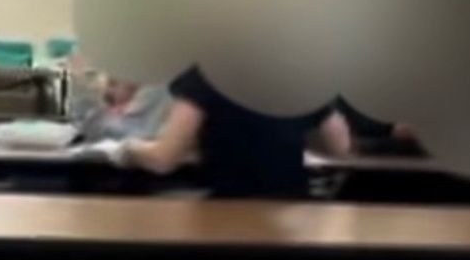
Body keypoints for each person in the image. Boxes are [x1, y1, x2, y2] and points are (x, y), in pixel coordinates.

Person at [119, 66, 352, 197]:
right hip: (292, 218)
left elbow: (163, 159)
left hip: (227, 211)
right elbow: (340, 147)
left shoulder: (206, 74)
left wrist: (128, 149)